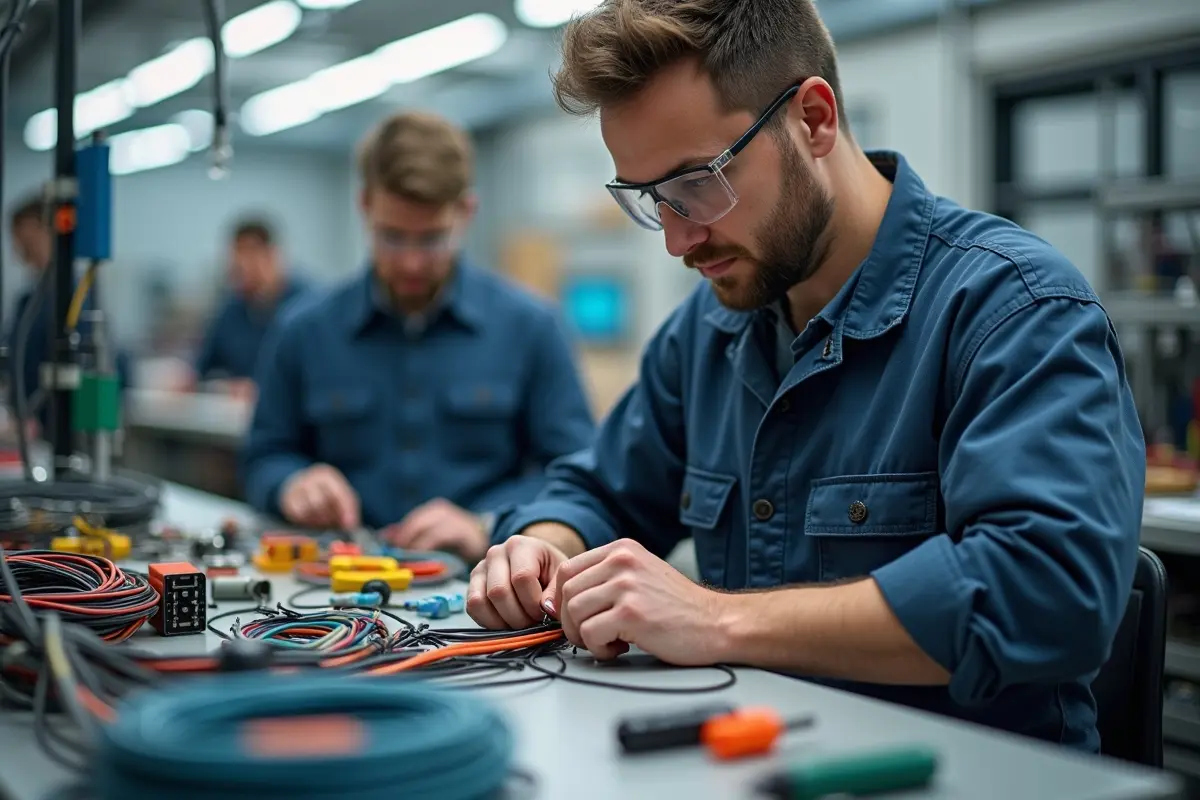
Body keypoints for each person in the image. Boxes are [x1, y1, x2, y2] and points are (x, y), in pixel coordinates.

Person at [467, 0, 1145, 753]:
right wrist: (543, 546)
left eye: (696, 183)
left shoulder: (1014, 309)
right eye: (651, 200)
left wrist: (715, 619)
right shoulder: (709, 331)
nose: (678, 240)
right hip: (755, 756)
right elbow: (601, 487)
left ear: (814, 120)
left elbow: (1047, 593)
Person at [240, 111, 597, 562]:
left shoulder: (532, 327)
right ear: (365, 205)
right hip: (337, 578)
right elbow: (263, 456)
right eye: (392, 237)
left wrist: (486, 522)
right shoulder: (303, 330)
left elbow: (574, 473)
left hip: (481, 578)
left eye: (431, 239)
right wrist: (290, 483)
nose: (410, 262)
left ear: (466, 212)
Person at [5, 195, 130, 433]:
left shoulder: (77, 297)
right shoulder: (27, 301)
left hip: (63, 429)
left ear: (48, 232)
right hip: (28, 427)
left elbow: (98, 365)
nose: (20, 254)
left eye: (27, 242)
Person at [190, 217, 310, 401]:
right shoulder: (231, 310)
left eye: (251, 258)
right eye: (237, 261)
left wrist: (262, 388)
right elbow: (202, 369)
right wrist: (190, 380)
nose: (243, 267)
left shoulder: (307, 307)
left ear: (273, 256)